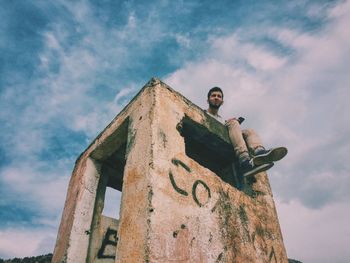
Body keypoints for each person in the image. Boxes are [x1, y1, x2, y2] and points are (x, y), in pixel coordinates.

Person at [205, 86, 287, 177]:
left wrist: (233, 123)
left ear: (222, 102)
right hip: (219, 139)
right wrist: (233, 123)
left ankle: (260, 153)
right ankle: (244, 161)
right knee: (233, 122)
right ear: (208, 100)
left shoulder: (223, 120)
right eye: (213, 96)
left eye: (219, 96)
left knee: (249, 131)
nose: (216, 97)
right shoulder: (204, 113)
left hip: (230, 132)